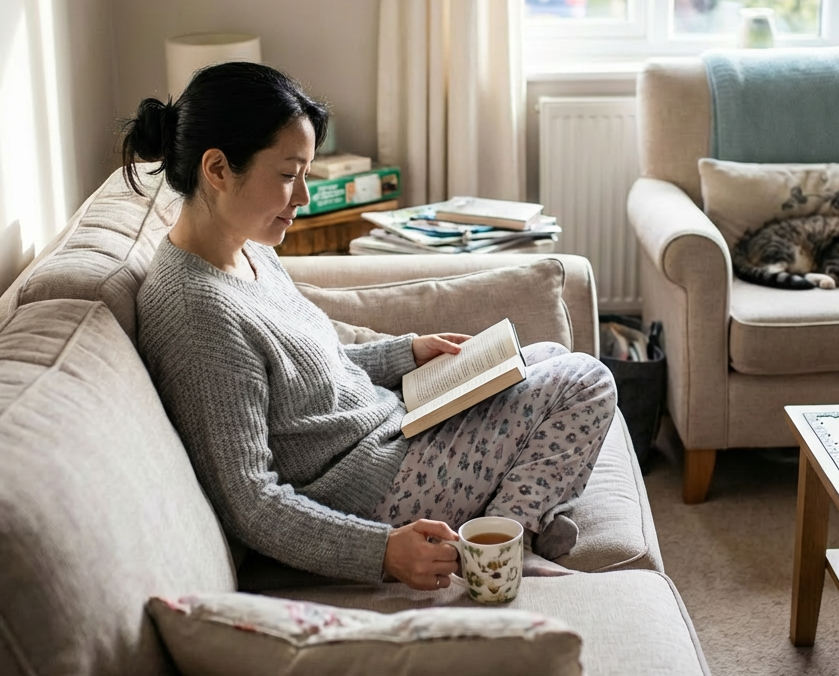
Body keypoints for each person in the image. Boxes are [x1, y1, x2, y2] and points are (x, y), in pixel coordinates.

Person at [124, 62, 616, 592]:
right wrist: (383, 551)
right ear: (218, 169)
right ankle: (503, 544)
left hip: (391, 433)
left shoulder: (247, 248)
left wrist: (408, 353)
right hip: (377, 492)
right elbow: (250, 501)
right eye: (288, 175)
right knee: (586, 379)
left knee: (542, 356)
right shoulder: (197, 314)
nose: (303, 197)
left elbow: (307, 374)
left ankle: (519, 514)